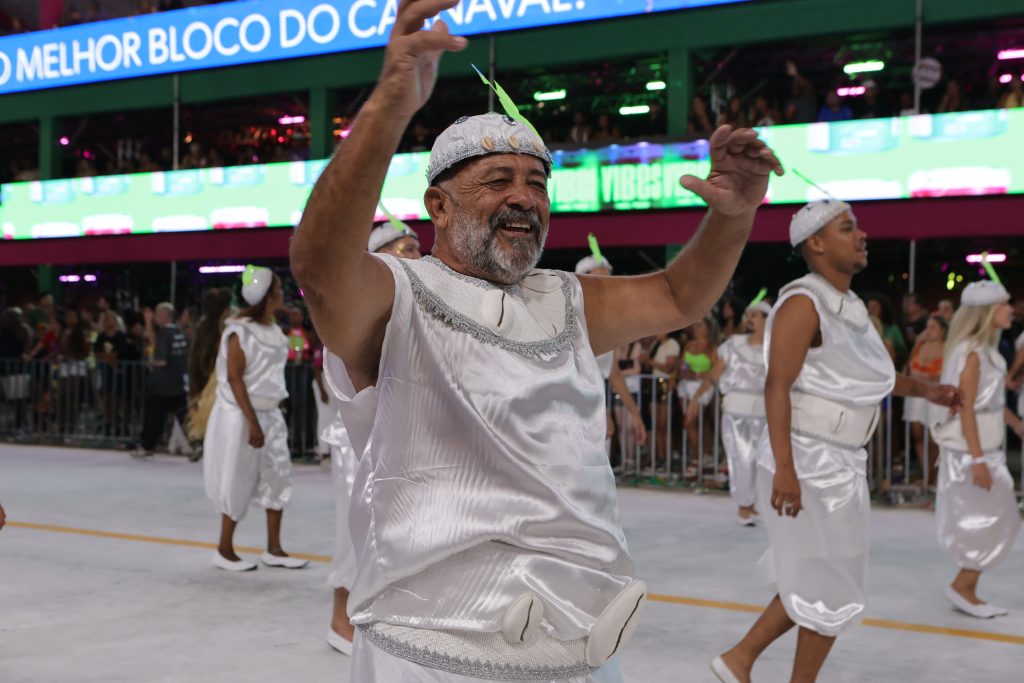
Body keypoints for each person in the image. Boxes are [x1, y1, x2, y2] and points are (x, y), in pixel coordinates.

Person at [290, 1, 783, 678]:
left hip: (572, 650)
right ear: (438, 205)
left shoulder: (567, 299)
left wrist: (734, 215)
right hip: (430, 655)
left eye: (537, 183)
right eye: (497, 180)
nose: (525, 197)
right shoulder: (399, 295)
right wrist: (389, 106)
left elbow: (678, 295)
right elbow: (319, 270)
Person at [711, 199, 959, 683]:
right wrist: (786, 468)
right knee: (832, 584)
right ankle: (753, 665)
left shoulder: (848, 305)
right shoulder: (804, 301)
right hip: (808, 456)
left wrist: (932, 391)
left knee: (821, 577)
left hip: (842, 459)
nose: (862, 235)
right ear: (817, 243)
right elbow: (776, 384)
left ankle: (739, 660)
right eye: (849, 228)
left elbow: (879, 377)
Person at [323, 217, 423, 657]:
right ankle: (339, 620)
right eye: (405, 249)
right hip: (357, 437)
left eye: (418, 247)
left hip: (401, 440)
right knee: (357, 528)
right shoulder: (359, 309)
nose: (417, 256)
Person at [930, 281, 1024, 618]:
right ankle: (962, 587)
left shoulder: (989, 353)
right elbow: (966, 408)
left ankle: (966, 586)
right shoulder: (971, 353)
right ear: (987, 312)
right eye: (1005, 304)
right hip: (972, 452)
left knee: (1000, 521)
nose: (1011, 310)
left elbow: (990, 404)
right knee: (987, 520)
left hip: (986, 447)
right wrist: (978, 459)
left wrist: (1015, 425)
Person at [203, 267, 306, 572]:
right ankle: (224, 549)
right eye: (277, 289)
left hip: (272, 413)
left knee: (278, 475)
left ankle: (274, 549)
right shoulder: (239, 331)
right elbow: (235, 379)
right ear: (266, 296)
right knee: (237, 479)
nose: (281, 294)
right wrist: (252, 422)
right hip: (241, 415)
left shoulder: (275, 330)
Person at [689, 300, 770, 525]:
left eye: (755, 314)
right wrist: (697, 398)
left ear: (766, 319)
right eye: (748, 314)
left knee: (759, 461)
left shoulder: (774, 349)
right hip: (737, 412)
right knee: (742, 458)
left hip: (764, 413)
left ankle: (751, 503)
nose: (750, 318)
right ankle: (743, 507)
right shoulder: (734, 345)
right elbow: (715, 374)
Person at [137, 303, 189, 456]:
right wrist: (148, 323)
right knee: (183, 418)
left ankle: (147, 446)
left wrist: (151, 362)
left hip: (162, 385)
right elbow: (158, 344)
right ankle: (197, 444)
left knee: (154, 418)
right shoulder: (179, 331)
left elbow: (161, 360)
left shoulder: (164, 333)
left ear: (163, 316)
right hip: (177, 382)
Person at [904, 316, 948, 485]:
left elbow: (939, 374)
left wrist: (924, 377)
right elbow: (909, 367)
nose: (928, 331)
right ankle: (926, 474)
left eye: (933, 327)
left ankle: (936, 477)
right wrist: (916, 343)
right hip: (918, 396)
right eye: (927, 327)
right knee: (918, 435)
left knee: (933, 438)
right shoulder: (921, 346)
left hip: (935, 395)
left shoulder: (946, 347)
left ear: (942, 331)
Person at [678, 316, 719, 476]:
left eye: (699, 325)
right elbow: (682, 364)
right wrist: (684, 370)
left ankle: (696, 459)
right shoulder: (688, 345)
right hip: (685, 387)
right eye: (694, 325)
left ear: (707, 329)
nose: (695, 328)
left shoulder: (712, 347)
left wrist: (700, 374)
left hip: (702, 388)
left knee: (690, 421)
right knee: (693, 423)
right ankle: (702, 455)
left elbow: (716, 369)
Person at [640, 331, 681, 467]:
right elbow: (651, 366)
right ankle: (660, 457)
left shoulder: (672, 344)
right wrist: (646, 362)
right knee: (656, 424)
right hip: (654, 383)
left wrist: (649, 361)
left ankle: (667, 458)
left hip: (664, 383)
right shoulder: (655, 345)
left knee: (664, 425)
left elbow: (669, 368)